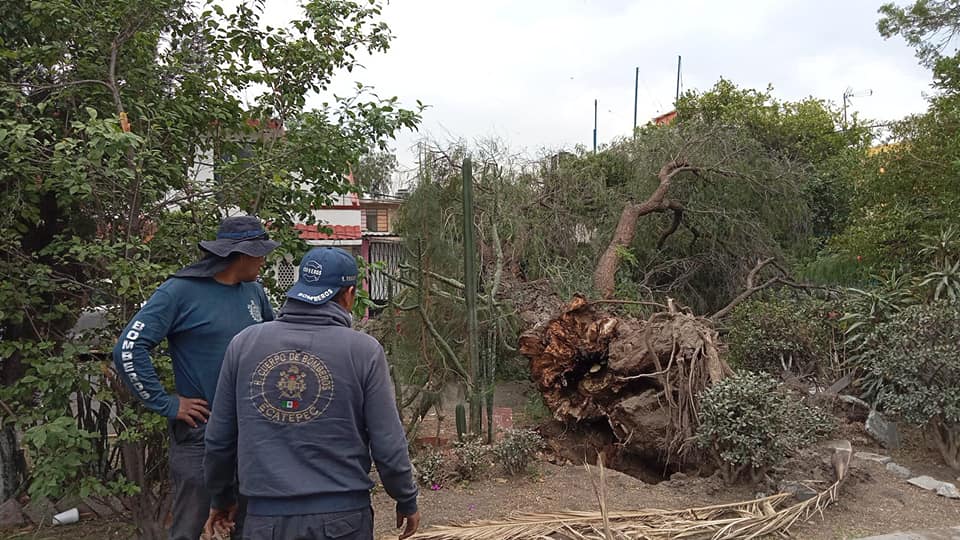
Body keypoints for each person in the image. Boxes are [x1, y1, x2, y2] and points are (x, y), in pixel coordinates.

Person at [202, 247, 420, 540]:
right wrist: (405, 497)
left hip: (265, 521)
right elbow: (388, 443)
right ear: (349, 295)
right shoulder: (363, 351)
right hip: (342, 520)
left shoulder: (244, 345)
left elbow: (219, 439)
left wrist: (221, 497)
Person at [112, 215, 279, 540]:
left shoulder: (253, 292)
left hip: (252, 434)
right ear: (240, 255)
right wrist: (167, 403)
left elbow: (272, 345)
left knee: (251, 526)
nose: (264, 259)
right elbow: (128, 348)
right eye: (260, 253)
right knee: (190, 528)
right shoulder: (180, 292)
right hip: (200, 437)